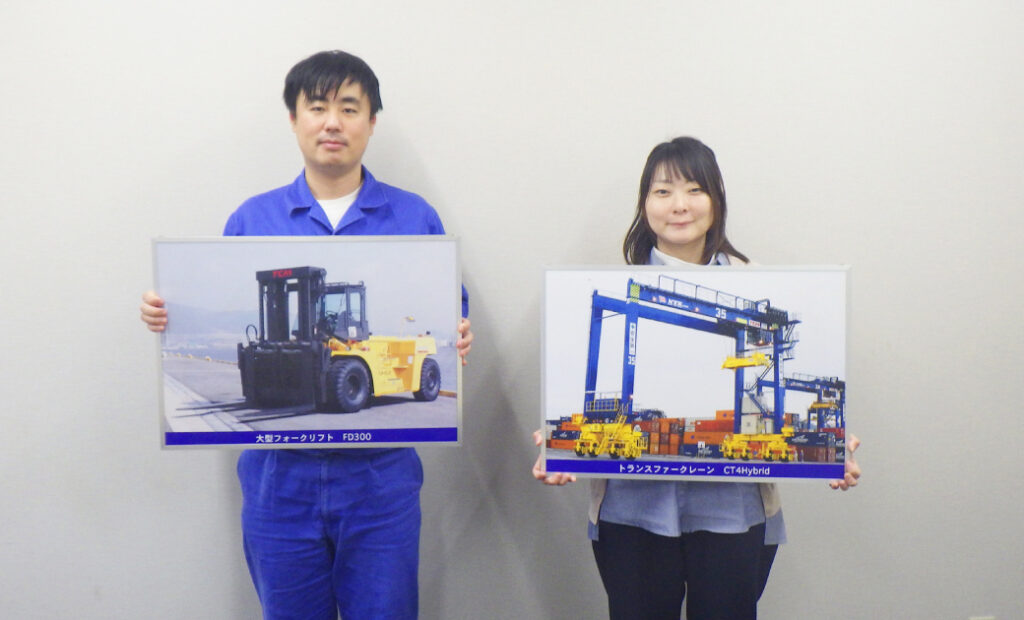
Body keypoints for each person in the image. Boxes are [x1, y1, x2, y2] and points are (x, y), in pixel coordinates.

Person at [141, 50, 473, 620]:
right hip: (278, 477)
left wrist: (461, 334)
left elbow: (453, 309)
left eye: (349, 108)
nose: (332, 122)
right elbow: (222, 294)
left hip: (380, 477)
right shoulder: (251, 219)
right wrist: (166, 317)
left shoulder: (414, 218)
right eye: (317, 107)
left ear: (372, 121)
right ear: (294, 119)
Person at [532, 137, 860, 620]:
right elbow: (573, 393)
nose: (679, 205)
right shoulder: (599, 289)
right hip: (631, 513)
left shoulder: (770, 291)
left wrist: (827, 442)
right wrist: (561, 440)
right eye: (663, 191)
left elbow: (799, 392)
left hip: (733, 512)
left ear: (716, 199)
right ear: (644, 205)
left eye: (694, 189)